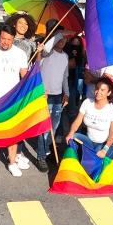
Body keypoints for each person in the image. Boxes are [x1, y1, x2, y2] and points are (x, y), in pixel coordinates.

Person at [0, 25, 30, 176]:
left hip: (12, 99)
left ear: (13, 39)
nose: (5, 42)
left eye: (9, 39)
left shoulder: (20, 54)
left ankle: (12, 162)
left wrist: (33, 92)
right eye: (3, 38)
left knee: (12, 131)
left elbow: (25, 77)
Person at [36, 30, 70, 172]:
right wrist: (60, 33)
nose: (62, 41)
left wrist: (66, 94)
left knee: (53, 127)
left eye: (64, 39)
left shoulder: (66, 56)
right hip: (45, 95)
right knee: (44, 128)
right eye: (59, 39)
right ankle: (41, 156)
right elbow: (39, 60)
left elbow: (64, 77)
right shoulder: (48, 53)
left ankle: (48, 151)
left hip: (58, 96)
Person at [65, 78, 113, 160]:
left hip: (105, 144)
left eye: (102, 90)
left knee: (92, 161)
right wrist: (70, 133)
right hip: (89, 141)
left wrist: (104, 150)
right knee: (73, 137)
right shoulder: (87, 102)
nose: (98, 92)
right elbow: (77, 121)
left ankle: (108, 154)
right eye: (97, 88)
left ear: (109, 93)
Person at [65, 35, 87, 119]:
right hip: (68, 78)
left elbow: (81, 66)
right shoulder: (67, 52)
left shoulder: (82, 55)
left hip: (77, 78)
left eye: (77, 43)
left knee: (75, 99)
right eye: (74, 42)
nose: (75, 45)